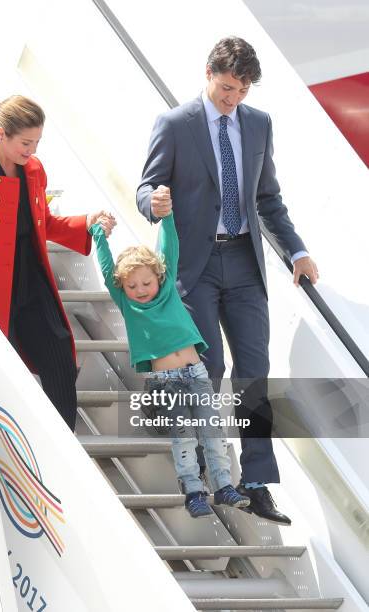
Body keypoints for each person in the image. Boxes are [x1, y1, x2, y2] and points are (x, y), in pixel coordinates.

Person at [137, 37, 319, 525]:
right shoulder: (175, 124)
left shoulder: (258, 125)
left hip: (244, 263)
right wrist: (151, 202)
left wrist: (296, 251)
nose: (233, 98)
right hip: (194, 268)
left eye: (241, 90)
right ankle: (198, 474)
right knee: (207, 369)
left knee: (253, 372)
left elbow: (268, 198)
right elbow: (147, 184)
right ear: (208, 73)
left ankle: (255, 480)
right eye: (226, 87)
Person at [0, 95, 113, 431]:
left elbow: (43, 223)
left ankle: (64, 442)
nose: (31, 150)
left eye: (36, 142)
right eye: (25, 142)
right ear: (1, 133)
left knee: (60, 354)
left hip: (31, 278)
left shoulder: (33, 169)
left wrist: (87, 220)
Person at [89, 203, 251, 519]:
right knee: (184, 437)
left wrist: (168, 216)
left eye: (146, 283)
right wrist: (99, 232)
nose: (140, 290)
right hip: (166, 381)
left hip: (196, 371)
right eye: (132, 285)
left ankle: (224, 485)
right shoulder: (127, 302)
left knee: (211, 430)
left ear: (159, 277)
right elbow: (108, 268)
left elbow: (170, 245)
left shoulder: (167, 289)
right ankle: (193, 490)